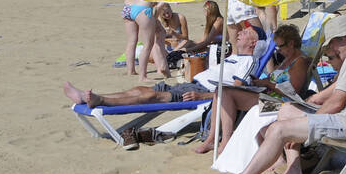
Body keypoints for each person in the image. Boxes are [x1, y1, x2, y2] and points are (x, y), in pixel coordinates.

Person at [202, 15, 346, 174]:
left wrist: (307, 122)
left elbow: (336, 103)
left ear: (344, 38)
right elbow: (336, 98)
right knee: (287, 109)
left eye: (332, 45)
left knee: (277, 130)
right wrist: (306, 118)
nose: (333, 50)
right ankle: (294, 171)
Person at [63, 24, 268, 109]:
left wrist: (205, 97)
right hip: (194, 85)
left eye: (247, 32)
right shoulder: (235, 57)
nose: (240, 32)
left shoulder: (248, 61)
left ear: (253, 43)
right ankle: (93, 97)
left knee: (153, 96)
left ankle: (100, 101)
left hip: (201, 91)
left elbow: (239, 89)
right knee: (142, 90)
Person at [194, 23, 312, 156]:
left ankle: (225, 141)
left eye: (280, 46)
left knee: (226, 92)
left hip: (280, 104)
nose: (278, 50)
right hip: (268, 96)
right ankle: (212, 138)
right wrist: (260, 82)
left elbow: (292, 91)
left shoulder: (300, 62)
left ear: (291, 43)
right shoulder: (287, 59)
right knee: (220, 90)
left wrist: (267, 83)